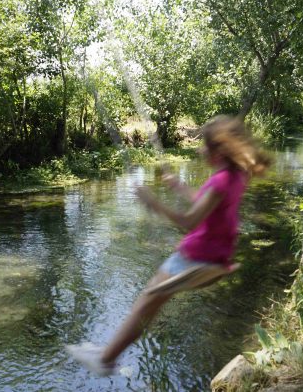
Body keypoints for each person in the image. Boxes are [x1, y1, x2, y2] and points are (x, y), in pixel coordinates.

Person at [66, 115, 271, 376]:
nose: (199, 150)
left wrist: (154, 204)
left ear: (218, 151)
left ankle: (105, 359)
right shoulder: (237, 175)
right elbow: (208, 204)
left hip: (196, 256)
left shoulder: (221, 179)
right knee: (151, 302)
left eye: (204, 145)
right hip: (218, 254)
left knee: (146, 302)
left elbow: (189, 221)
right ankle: (108, 356)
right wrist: (180, 187)